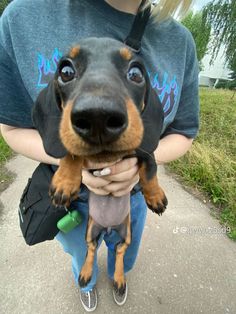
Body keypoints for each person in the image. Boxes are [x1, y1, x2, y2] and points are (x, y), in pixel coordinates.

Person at [0, 0, 199, 311]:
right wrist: (71, 164)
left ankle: (120, 274)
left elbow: (183, 131)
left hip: (133, 200)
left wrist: (141, 171)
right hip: (72, 202)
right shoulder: (21, 17)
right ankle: (88, 283)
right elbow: (12, 129)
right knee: (83, 251)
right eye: (67, 72)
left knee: (125, 249)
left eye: (135, 74)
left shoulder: (180, 42)